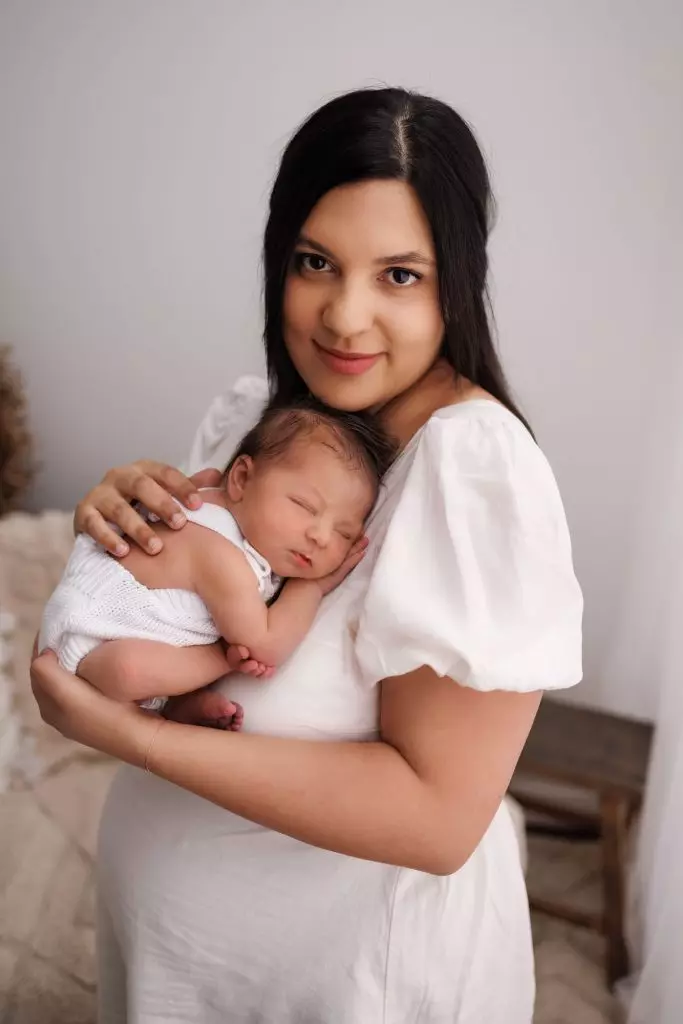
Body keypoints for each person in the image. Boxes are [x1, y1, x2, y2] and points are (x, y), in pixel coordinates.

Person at [30, 86, 583, 1022]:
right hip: (181, 969)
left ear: (459, 279)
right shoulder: (266, 417)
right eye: (315, 262)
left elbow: (440, 817)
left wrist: (132, 737)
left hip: (346, 985)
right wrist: (117, 530)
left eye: (399, 275)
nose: (343, 318)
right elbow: (178, 600)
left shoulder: (468, 469)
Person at [38, 399, 394, 726]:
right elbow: (265, 645)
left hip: (104, 615)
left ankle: (177, 705)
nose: (320, 536)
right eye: (304, 506)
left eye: (344, 533)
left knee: (146, 665)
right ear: (240, 477)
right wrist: (311, 587)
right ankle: (188, 689)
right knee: (130, 670)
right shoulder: (220, 558)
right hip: (92, 641)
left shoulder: (211, 486)